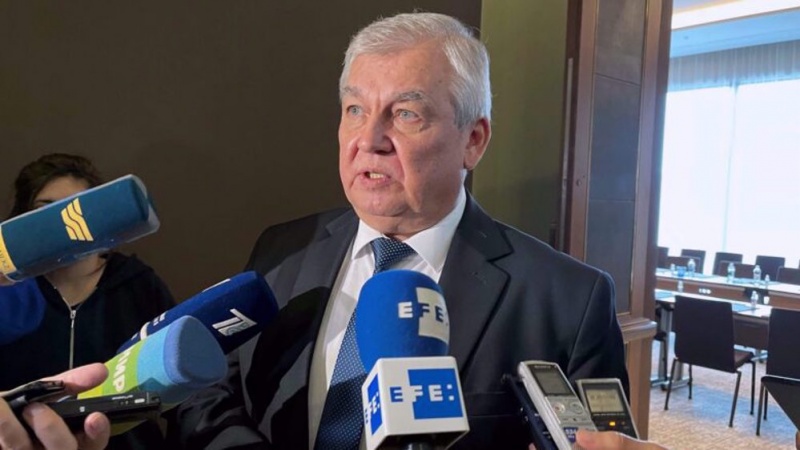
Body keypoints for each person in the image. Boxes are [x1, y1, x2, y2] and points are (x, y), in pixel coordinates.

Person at [169, 12, 627, 450]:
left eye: (406, 114)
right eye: (355, 109)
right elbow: (210, 394)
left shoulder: (570, 301)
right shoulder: (284, 249)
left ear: (473, 140)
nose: (368, 140)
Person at [0, 153, 176, 449]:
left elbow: (181, 388)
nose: (63, 223)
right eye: (45, 210)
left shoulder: (140, 285)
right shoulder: (11, 297)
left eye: (75, 208)